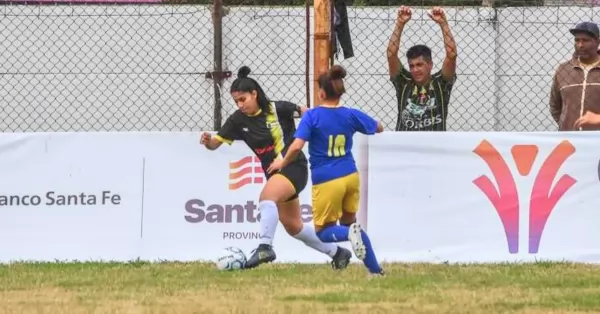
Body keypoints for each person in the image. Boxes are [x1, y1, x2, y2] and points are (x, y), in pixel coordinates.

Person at [200, 66, 353, 270]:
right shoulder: (237, 120)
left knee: (266, 199)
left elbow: (311, 114)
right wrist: (207, 141)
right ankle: (338, 253)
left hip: (293, 166)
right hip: (274, 175)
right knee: (293, 226)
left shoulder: (278, 108)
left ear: (254, 94)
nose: (240, 105)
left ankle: (265, 247)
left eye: (243, 99)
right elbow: (214, 145)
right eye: (236, 101)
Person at [267, 65, 385, 277]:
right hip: (350, 175)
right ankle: (375, 271)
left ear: (321, 92)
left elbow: (296, 146)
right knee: (351, 223)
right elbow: (378, 127)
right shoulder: (350, 114)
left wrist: (281, 163)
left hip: (327, 179)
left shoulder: (312, 117)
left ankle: (351, 234)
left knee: (323, 232)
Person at [386, 6, 457, 131]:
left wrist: (443, 23)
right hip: (405, 147)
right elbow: (391, 55)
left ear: (430, 65)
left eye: (419, 65)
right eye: (411, 66)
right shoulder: (404, 82)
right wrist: (400, 23)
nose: (415, 70)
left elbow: (451, 54)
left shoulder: (441, 83)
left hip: (434, 146)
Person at [550, 22, 600, 131]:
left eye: (585, 40)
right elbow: (555, 106)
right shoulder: (563, 70)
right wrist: (566, 126)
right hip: (570, 140)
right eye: (577, 40)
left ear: (597, 41)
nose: (580, 45)